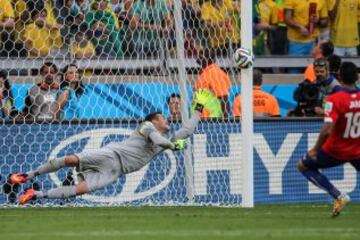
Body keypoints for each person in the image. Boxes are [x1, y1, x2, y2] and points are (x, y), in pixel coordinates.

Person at [8, 91, 208, 204]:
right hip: (111, 154)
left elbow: (188, 130)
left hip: (116, 171)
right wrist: (173, 145)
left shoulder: (169, 137)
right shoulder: (147, 127)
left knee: (80, 190)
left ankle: (36, 195)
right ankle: (27, 175)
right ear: (154, 121)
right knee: (71, 159)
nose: (166, 120)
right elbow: (160, 141)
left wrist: (198, 109)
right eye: (162, 117)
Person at [297, 61, 360, 217]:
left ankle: (338, 196)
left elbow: (327, 129)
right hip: (357, 150)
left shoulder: (335, 99)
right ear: (357, 77)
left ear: (339, 76)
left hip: (335, 150)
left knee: (303, 165)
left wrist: (315, 149)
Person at [194, 48, 231, 118]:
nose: (197, 56)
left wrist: (225, 122)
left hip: (212, 121)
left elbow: (223, 98)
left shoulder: (214, 73)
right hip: (203, 120)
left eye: (200, 54)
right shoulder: (206, 73)